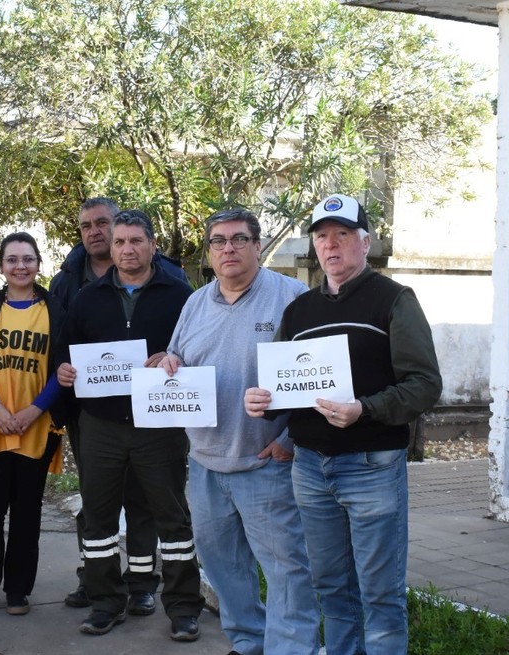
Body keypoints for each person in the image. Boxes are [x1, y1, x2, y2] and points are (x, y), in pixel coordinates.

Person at [244, 194, 442, 655]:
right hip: (310, 468)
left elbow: (425, 385)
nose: (330, 245)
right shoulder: (300, 311)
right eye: (322, 237)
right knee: (332, 588)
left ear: (365, 242)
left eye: (342, 234)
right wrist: (263, 401)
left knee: (380, 593)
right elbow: (282, 385)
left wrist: (364, 409)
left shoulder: (394, 300)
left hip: (371, 466)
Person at [157, 208, 319, 655]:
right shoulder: (195, 303)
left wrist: (289, 440)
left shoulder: (292, 297)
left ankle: (291, 650)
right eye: (219, 241)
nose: (228, 248)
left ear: (257, 246)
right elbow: (176, 355)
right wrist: (170, 362)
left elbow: (318, 377)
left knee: (287, 571)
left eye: (239, 239)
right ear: (209, 251)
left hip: (266, 463)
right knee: (224, 568)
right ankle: (249, 643)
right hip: (205, 464)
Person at [56, 211, 204, 641]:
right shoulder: (88, 297)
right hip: (100, 424)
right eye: (119, 242)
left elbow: (197, 351)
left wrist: (177, 359)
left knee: (172, 518)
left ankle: (182, 607)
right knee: (98, 518)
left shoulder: (181, 296)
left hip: (159, 423)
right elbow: (66, 352)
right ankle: (106, 602)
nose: (126, 249)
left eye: (136, 241)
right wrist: (64, 371)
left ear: (153, 246)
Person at [0, 232, 64, 616]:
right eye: (12, 259)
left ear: (38, 263)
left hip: (38, 423)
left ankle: (18, 590)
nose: (20, 266)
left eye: (28, 259)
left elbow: (62, 366)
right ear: (2, 266)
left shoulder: (54, 308)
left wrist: (35, 410)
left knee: (27, 509)